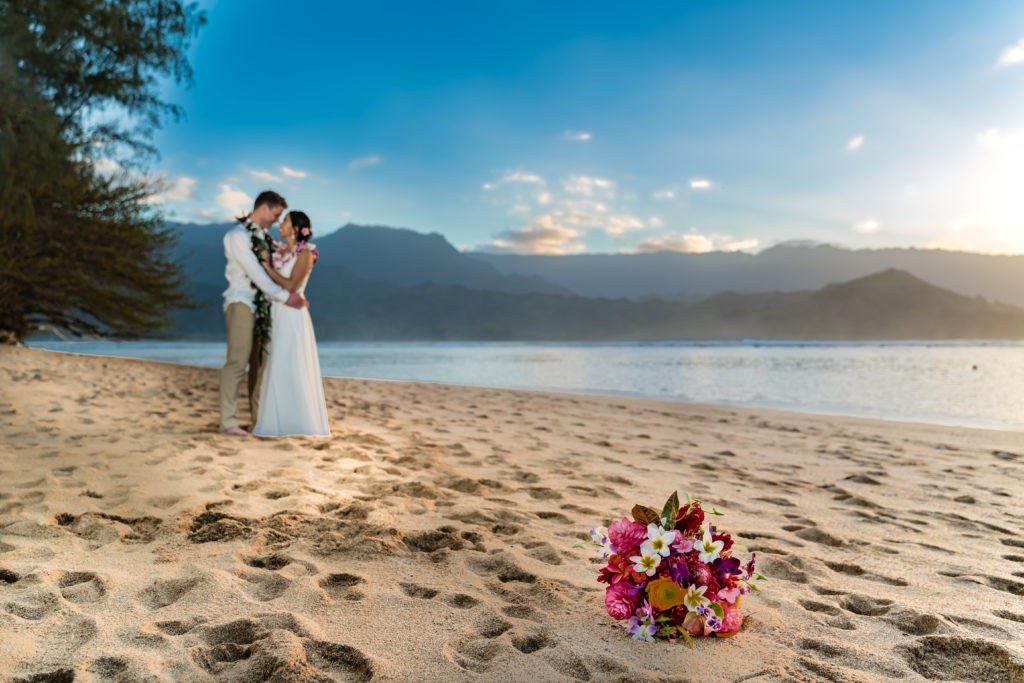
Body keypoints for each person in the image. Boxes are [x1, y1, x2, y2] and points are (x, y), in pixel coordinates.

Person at [218, 191, 307, 436]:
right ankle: (228, 422)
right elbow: (255, 272)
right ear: (264, 209)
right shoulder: (237, 236)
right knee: (237, 361)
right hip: (241, 302)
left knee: (260, 368)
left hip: (263, 309)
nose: (278, 221)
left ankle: (260, 422)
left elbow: (273, 270)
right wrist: (285, 296)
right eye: (277, 215)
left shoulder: (265, 239)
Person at [253, 211, 330, 437]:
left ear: (296, 229)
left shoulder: (306, 254)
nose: (280, 223)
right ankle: (275, 424)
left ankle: (299, 424)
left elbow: (290, 284)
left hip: (293, 314)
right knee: (275, 364)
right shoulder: (279, 251)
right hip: (277, 312)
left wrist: (266, 267)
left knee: (290, 363)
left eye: (285, 221)